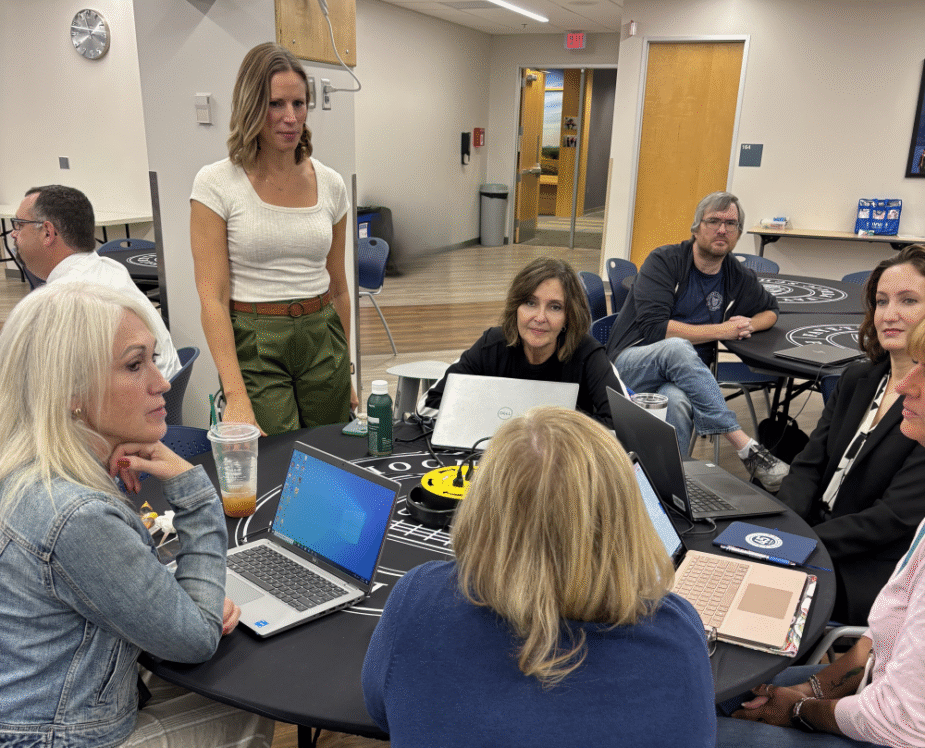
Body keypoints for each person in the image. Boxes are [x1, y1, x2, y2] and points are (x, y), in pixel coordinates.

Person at [0, 284, 273, 746]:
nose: (162, 382)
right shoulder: (79, 515)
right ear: (72, 392)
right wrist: (196, 494)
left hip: (32, 709)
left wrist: (184, 610)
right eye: (134, 364)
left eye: (152, 358)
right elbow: (197, 639)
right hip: (56, 735)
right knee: (247, 710)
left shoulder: (24, 471)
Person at [362, 407, 716, 746]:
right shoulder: (677, 632)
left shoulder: (417, 598)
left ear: (480, 508)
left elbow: (382, 711)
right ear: (626, 520)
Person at [716, 316, 925, 747]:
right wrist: (816, 689)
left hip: (887, 728)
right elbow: (889, 630)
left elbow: (898, 723)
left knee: (693, 727)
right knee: (703, 690)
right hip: (876, 691)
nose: (906, 383)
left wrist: (796, 710)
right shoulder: (860, 379)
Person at [191, 41, 356, 436]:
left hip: (322, 335)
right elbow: (212, 299)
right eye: (276, 104)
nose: (290, 117)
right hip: (256, 339)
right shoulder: (215, 184)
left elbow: (339, 287)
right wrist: (236, 394)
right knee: (277, 459)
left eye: (299, 104)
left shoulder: (331, 184)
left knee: (333, 453)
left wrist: (345, 367)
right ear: (250, 107)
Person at [776, 245, 925, 625]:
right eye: (881, 301)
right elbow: (808, 465)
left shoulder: (922, 406)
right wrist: (783, 532)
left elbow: (892, 519)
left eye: (908, 301)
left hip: (868, 563)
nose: (889, 315)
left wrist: (803, 546)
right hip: (813, 533)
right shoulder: (858, 378)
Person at [606, 190, 788, 491]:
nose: (722, 229)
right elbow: (657, 330)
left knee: (677, 403)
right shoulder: (664, 261)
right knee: (678, 347)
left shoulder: (735, 274)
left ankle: (668, 489)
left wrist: (748, 325)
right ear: (695, 228)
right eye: (714, 221)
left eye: (731, 224)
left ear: (738, 234)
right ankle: (743, 445)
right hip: (630, 363)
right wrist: (723, 331)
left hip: (684, 379)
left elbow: (771, 311)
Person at [423, 257, 624, 427]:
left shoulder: (588, 353)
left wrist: (553, 433)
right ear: (515, 307)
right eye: (530, 303)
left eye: (555, 307)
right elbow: (428, 406)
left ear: (568, 316)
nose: (540, 317)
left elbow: (621, 423)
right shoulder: (491, 345)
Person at [9, 184, 181, 380]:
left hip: (134, 402)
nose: (13, 234)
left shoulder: (65, 299)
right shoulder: (109, 268)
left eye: (19, 225)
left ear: (47, 232)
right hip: (159, 392)